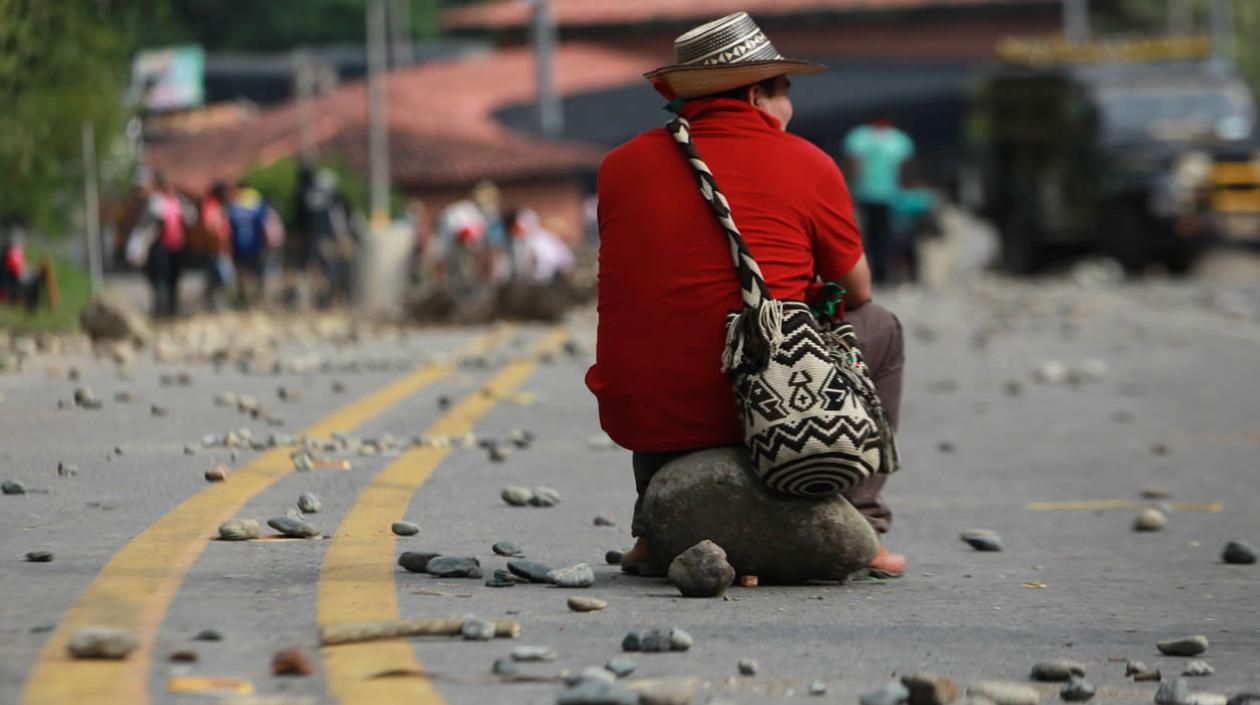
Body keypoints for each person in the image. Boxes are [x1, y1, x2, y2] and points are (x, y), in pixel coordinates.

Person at [587, 12, 907, 578]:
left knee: (664, 321)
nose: (790, 109)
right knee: (880, 326)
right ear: (759, 94)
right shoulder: (808, 162)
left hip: (645, 410)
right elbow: (858, 288)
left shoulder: (619, 165)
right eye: (787, 93)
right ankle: (861, 521)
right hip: (771, 404)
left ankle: (649, 529)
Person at [843, 113, 915, 284]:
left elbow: (852, 164)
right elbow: (905, 166)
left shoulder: (859, 137)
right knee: (887, 235)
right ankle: (884, 272)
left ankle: (875, 272)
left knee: (867, 236)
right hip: (888, 195)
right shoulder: (897, 139)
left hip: (865, 193)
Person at [144, 173, 193, 318]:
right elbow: (150, 220)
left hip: (176, 247)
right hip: (160, 247)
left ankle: (172, 310)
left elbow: (191, 218)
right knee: (160, 279)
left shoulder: (179, 201)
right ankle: (159, 310)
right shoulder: (155, 202)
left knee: (174, 279)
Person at [227, 183, 270, 308]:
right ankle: (256, 301)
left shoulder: (234, 206)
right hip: (255, 246)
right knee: (256, 275)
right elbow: (263, 223)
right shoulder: (256, 204)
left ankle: (244, 300)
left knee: (241, 275)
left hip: (239, 247)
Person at [199, 182, 234, 311]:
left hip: (220, 248)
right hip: (215, 249)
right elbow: (210, 227)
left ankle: (214, 306)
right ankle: (215, 306)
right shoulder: (211, 205)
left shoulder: (218, 206)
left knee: (216, 279)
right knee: (223, 278)